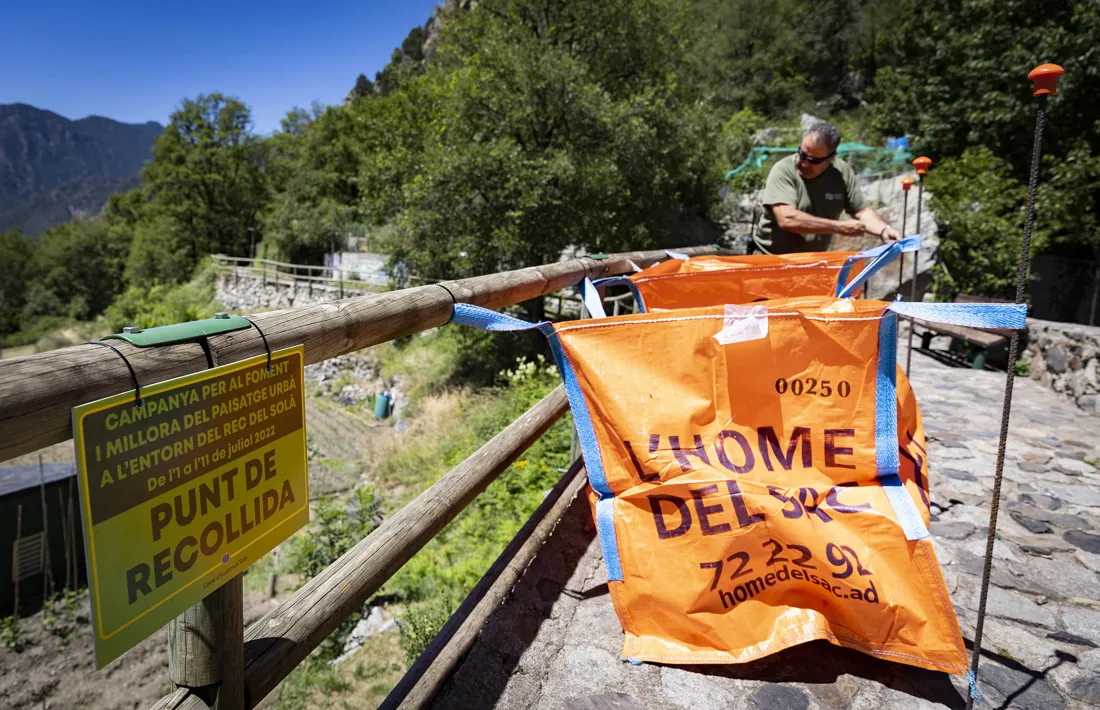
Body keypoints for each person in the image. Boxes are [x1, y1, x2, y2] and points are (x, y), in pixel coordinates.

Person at [755, 120, 902, 254]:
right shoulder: (783, 170)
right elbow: (787, 219)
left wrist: (884, 230)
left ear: (831, 158)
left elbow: (861, 211)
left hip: (812, 263)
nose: (804, 163)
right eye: (802, 154)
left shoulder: (841, 173)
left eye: (813, 160)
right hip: (770, 259)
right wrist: (838, 227)